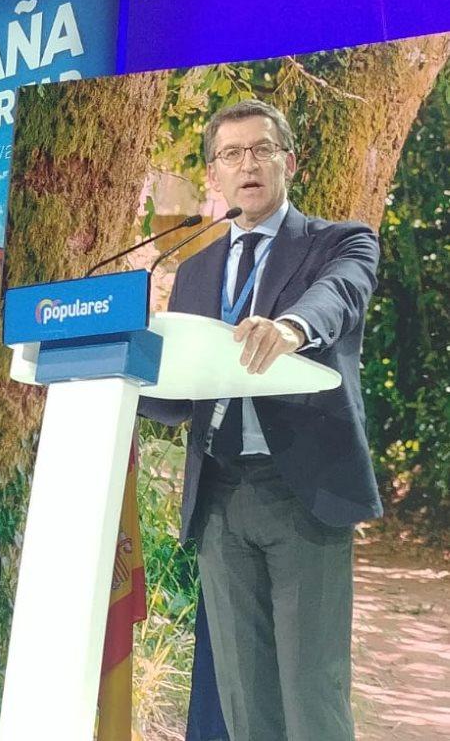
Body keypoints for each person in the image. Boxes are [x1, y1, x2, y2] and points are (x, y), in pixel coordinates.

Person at [138, 99, 380, 741]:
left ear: (289, 162)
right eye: (230, 154)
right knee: (245, 701)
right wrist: (116, 374)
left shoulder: (339, 242)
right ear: (214, 174)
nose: (247, 165)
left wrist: (291, 326)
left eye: (261, 149)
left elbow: (339, 297)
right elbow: (173, 396)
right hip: (218, 496)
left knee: (310, 694)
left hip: (300, 491)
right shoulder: (192, 271)